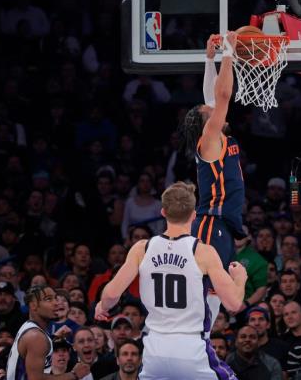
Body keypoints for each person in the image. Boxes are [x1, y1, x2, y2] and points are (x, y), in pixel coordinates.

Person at [95, 181, 247, 380]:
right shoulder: (203, 252)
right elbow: (234, 303)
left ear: (163, 212)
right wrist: (240, 279)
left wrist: (102, 306)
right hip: (191, 350)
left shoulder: (142, 248)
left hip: (155, 351)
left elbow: (112, 293)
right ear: (193, 215)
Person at [182, 32, 245, 323]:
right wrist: (228, 53)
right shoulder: (208, 141)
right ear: (209, 122)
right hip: (210, 223)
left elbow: (211, 98)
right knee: (206, 292)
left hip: (219, 224)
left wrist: (210, 59)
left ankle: (200, 344)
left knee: (212, 296)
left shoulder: (214, 138)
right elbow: (220, 96)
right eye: (212, 113)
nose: (217, 110)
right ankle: (194, 341)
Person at [6, 284, 90, 380]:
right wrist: (74, 375)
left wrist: (53, 337)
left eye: (55, 298)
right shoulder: (36, 336)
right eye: (48, 299)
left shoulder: (31, 328)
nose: (56, 303)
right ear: (33, 305)